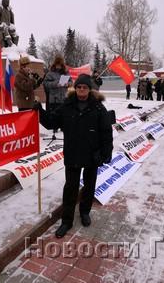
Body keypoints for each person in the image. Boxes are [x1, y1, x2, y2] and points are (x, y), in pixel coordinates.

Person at [34, 74, 114, 238]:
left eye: (84, 87)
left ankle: (85, 212)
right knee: (70, 188)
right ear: (75, 88)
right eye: (78, 87)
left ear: (89, 89)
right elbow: (51, 122)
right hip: (73, 153)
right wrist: (39, 111)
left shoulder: (98, 108)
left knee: (89, 185)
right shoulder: (67, 106)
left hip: (93, 154)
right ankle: (66, 221)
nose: (81, 90)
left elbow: (106, 132)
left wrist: (106, 153)